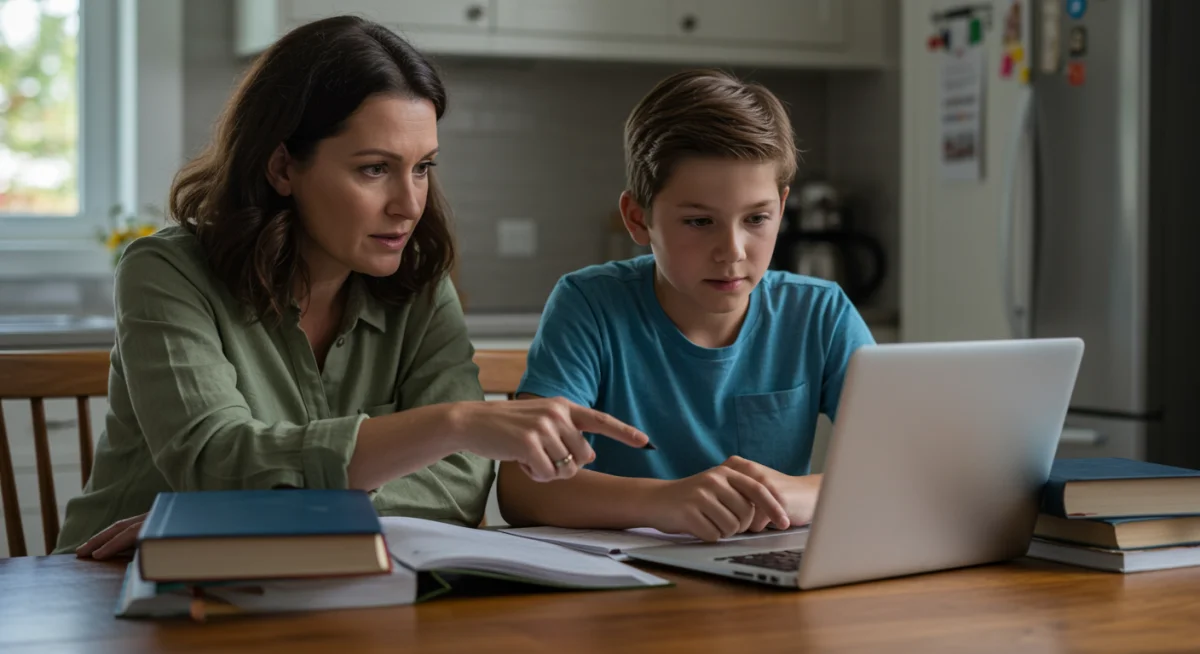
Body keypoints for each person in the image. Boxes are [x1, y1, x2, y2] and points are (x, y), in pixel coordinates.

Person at [57, 15, 647, 558]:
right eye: (374, 169)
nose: (409, 204)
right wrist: (448, 424)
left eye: (422, 167)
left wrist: (250, 518)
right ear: (283, 166)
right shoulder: (166, 272)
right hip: (119, 583)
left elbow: (460, 484)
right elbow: (216, 464)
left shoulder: (419, 284)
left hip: (323, 577)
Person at [497, 70, 875, 542]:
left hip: (766, 581)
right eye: (699, 221)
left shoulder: (822, 314)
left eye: (757, 218)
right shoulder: (589, 305)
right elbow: (519, 489)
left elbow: (902, 463)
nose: (733, 250)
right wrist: (662, 501)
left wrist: (799, 494)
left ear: (782, 207)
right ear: (638, 219)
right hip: (624, 585)